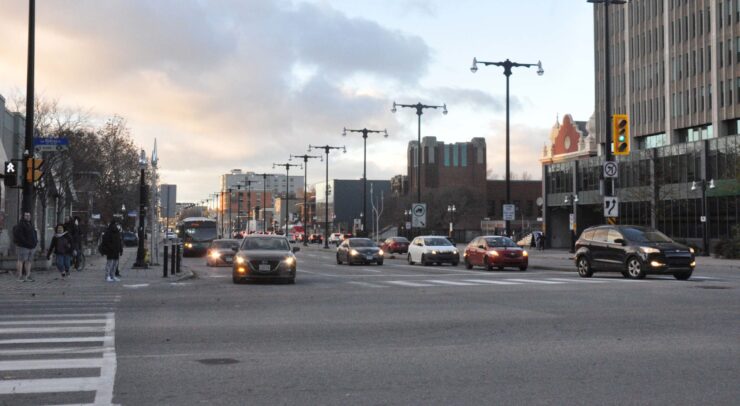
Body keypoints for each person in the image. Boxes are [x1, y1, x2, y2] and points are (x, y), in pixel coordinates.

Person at [13, 212, 38, 282]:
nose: (28, 217)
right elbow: (20, 236)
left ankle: (28, 275)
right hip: (23, 246)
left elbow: (34, 233)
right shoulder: (20, 225)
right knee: (21, 260)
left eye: (29, 215)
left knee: (29, 261)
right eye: (26, 215)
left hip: (32, 246)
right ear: (23, 216)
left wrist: (35, 241)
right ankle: (19, 276)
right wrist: (26, 243)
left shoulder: (30, 224)